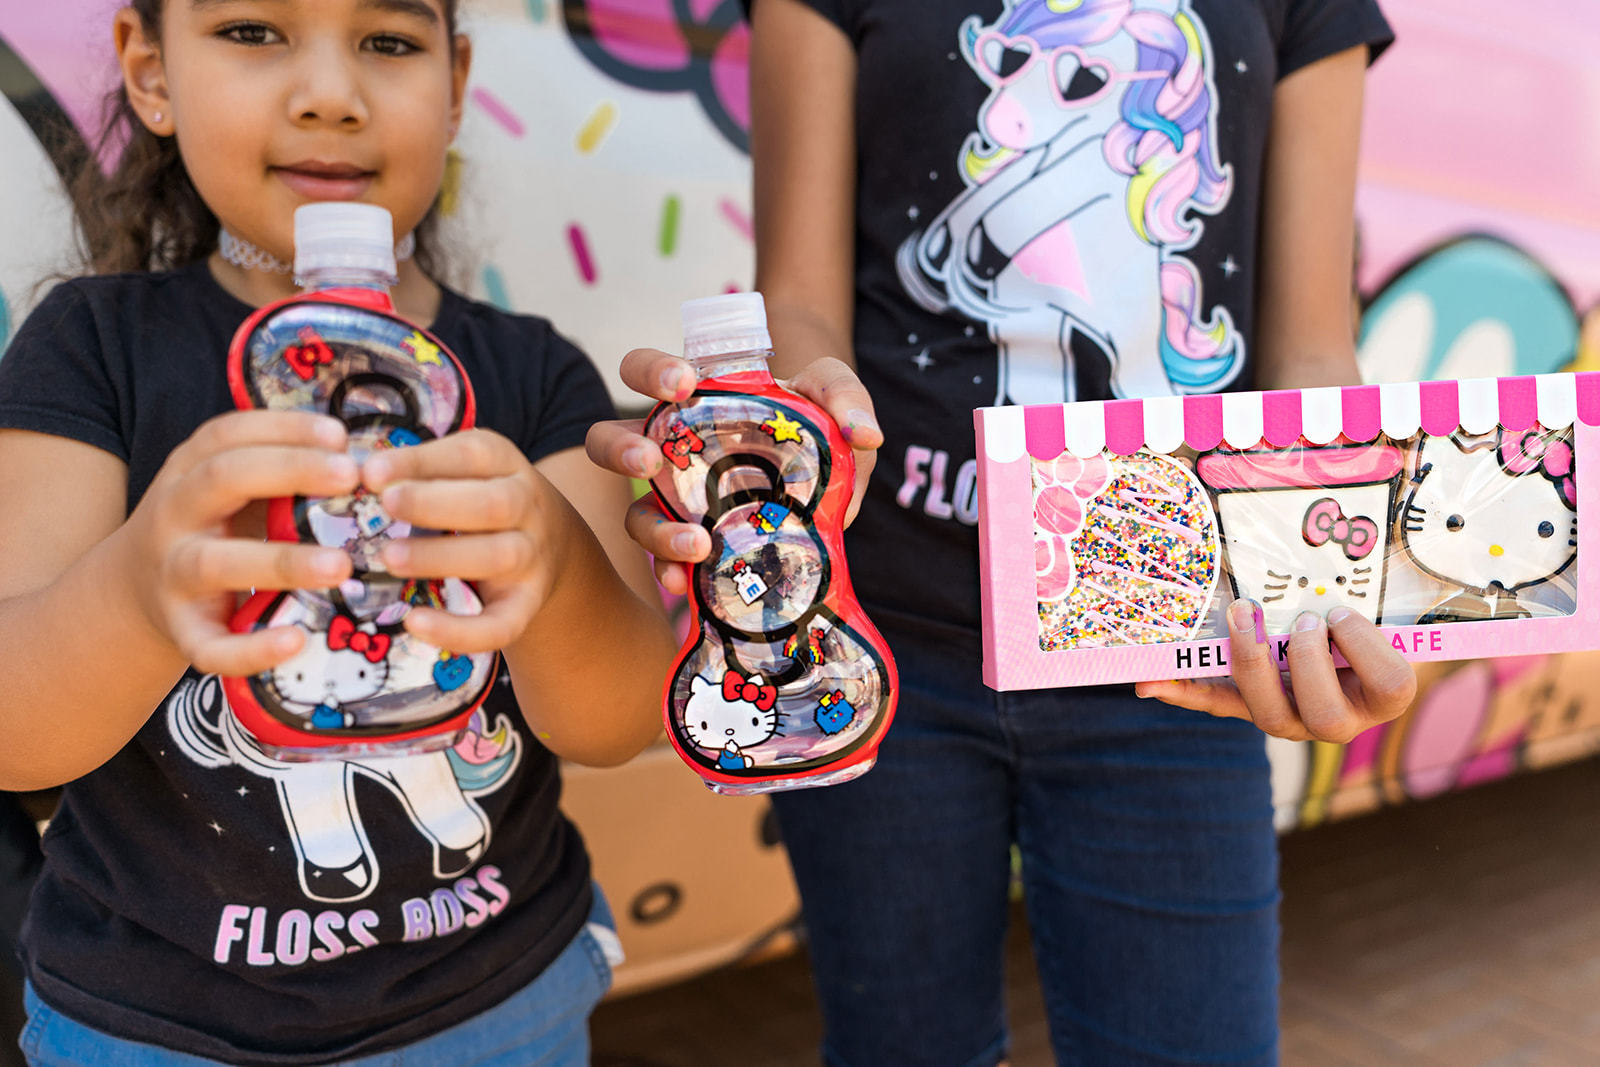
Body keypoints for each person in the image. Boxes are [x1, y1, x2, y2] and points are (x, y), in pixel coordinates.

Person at [588, 0, 1417, 1063]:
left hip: (1171, 655)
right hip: (873, 649)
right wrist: (789, 415)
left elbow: (1307, 355)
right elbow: (799, 299)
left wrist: (1336, 601)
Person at [0, 1, 677, 1063]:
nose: (331, 94)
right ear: (150, 69)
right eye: (254, 32)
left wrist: (555, 570)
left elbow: (621, 719)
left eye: (390, 43)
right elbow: (13, 734)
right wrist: (139, 589)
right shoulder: (90, 349)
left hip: (505, 1006)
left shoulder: (530, 372)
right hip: (150, 1028)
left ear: (454, 83)